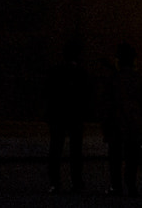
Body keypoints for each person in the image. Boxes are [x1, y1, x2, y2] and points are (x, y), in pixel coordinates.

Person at [102, 43, 142, 198]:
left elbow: (107, 102)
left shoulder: (113, 78)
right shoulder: (139, 78)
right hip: (135, 121)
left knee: (115, 156)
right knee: (132, 156)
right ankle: (131, 185)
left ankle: (116, 186)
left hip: (117, 120)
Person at [46, 38, 89, 195]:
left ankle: (55, 182)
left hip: (58, 114)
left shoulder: (56, 71)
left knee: (56, 148)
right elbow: (86, 96)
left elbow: (49, 93)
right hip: (75, 115)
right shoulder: (81, 73)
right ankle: (76, 181)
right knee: (75, 150)